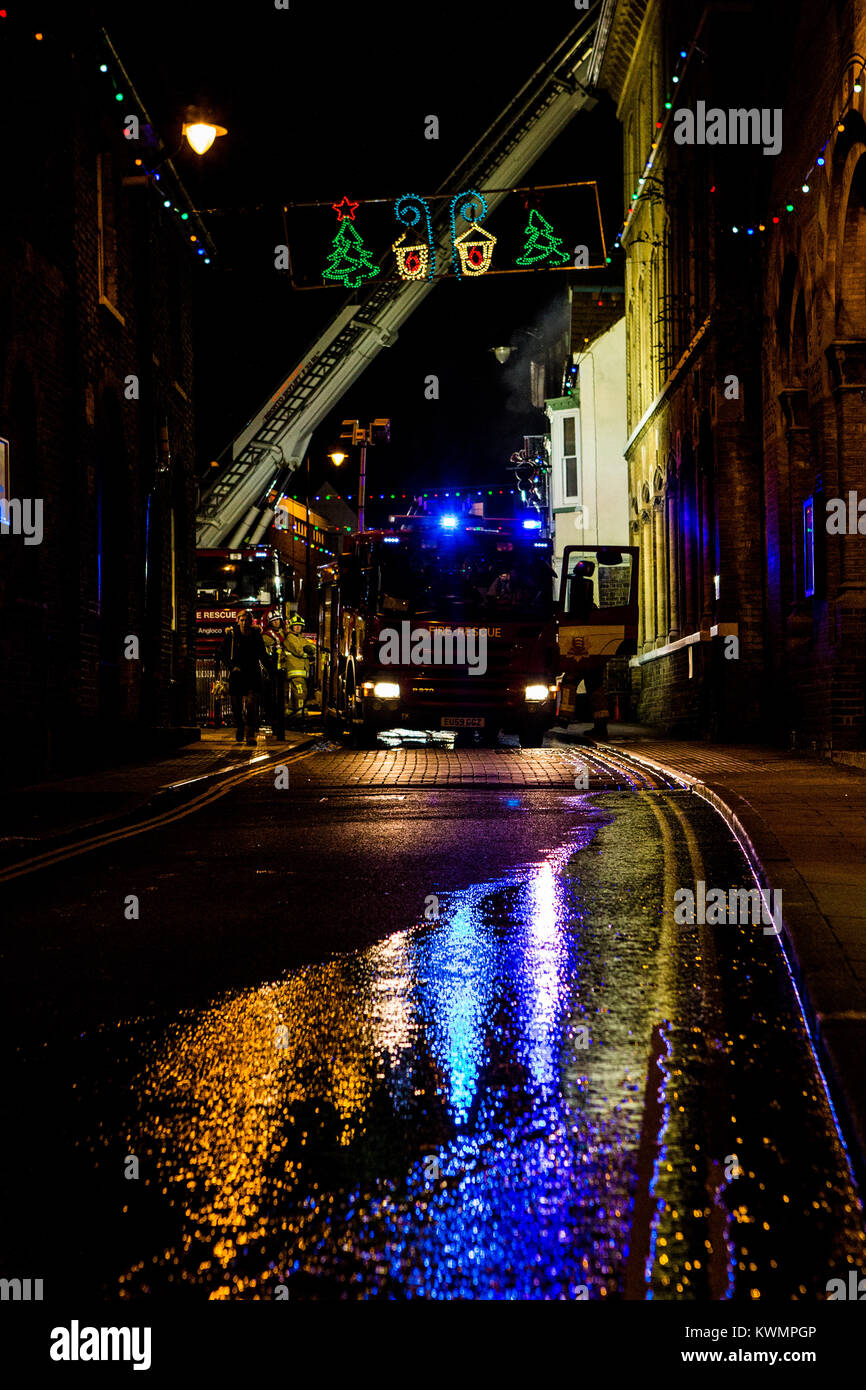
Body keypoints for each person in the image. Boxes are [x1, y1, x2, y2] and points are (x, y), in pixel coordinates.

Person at [217, 610, 272, 744]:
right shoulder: (231, 635)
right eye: (241, 620)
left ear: (250, 621)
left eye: (246, 620)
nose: (244, 623)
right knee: (236, 706)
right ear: (238, 620)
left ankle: (250, 734)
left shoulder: (255, 634)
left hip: (252, 672)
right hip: (237, 673)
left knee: (251, 704)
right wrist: (231, 667)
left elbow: (261, 653)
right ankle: (240, 727)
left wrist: (270, 668)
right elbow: (221, 653)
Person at [282, 615, 316, 719]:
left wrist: (311, 649)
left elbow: (312, 647)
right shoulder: (290, 638)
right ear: (291, 627)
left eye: (299, 626)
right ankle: (300, 713)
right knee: (301, 692)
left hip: (301, 670)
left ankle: (291, 711)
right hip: (295, 670)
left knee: (296, 692)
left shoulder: (300, 638)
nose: (297, 628)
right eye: (295, 626)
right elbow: (298, 651)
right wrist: (308, 653)